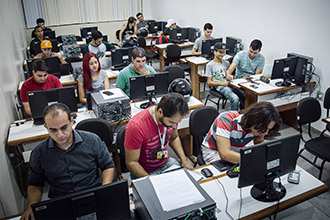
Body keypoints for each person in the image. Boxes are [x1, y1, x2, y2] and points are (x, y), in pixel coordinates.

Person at [20, 103, 115, 220]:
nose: (60, 135)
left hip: (92, 195)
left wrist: (104, 191)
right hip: (61, 203)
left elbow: (108, 165)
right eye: (53, 130)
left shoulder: (92, 140)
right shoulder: (39, 153)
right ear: (46, 127)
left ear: (71, 121)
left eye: (64, 127)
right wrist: (32, 205)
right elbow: (35, 183)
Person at [125, 93, 194, 179]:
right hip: (145, 171)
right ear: (160, 112)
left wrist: (184, 160)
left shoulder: (172, 118)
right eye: (172, 122)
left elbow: (174, 138)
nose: (174, 126)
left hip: (166, 163)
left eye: (176, 123)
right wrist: (152, 180)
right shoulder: (136, 127)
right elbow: (131, 162)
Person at [201, 102, 282, 164]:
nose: (266, 133)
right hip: (213, 151)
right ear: (255, 120)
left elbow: (259, 144)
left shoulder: (259, 129)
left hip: (235, 150)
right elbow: (225, 154)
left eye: (268, 129)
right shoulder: (226, 119)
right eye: (264, 129)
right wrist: (255, 160)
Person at [205, 43, 242, 111]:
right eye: (220, 52)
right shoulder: (210, 65)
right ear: (215, 52)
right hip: (220, 87)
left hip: (229, 84)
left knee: (243, 94)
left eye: (223, 53)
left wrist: (230, 76)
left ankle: (243, 112)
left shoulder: (226, 63)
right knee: (235, 98)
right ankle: (233, 117)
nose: (222, 54)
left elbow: (229, 74)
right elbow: (209, 82)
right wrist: (222, 83)